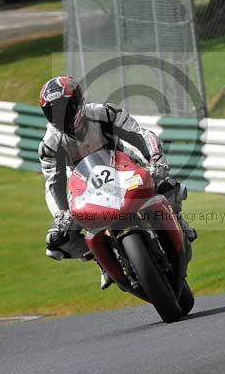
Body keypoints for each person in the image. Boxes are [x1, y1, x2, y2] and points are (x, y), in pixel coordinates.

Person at [38, 75, 197, 289]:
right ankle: (101, 260)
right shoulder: (49, 145)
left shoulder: (104, 113)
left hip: (123, 165)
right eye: (53, 111)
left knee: (167, 185)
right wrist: (61, 215)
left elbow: (140, 134)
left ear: (78, 101)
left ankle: (179, 221)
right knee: (56, 241)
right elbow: (52, 183)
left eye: (65, 107)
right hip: (83, 184)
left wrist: (156, 159)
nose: (61, 115)